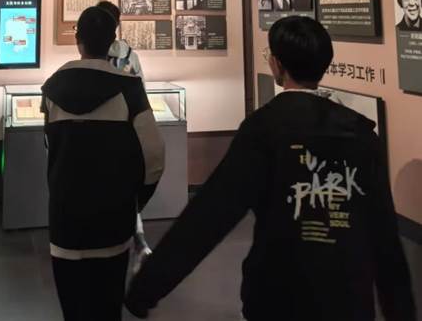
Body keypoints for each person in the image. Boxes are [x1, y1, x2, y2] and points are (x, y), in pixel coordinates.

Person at [125, 16, 416, 321]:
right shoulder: (360, 133)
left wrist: (147, 287)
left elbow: (210, 215)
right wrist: (401, 311)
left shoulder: (264, 128)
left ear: (276, 64)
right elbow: (384, 235)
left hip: (279, 291)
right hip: (347, 297)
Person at [41, 6, 164, 321]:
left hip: (65, 221)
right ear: (112, 41)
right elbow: (154, 156)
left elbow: (50, 148)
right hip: (112, 222)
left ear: (78, 41)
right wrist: (135, 201)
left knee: (73, 310)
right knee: (108, 309)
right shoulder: (129, 88)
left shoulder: (52, 89)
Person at [98, 0, 151, 270]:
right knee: (126, 190)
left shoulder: (95, 55)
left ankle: (125, 240)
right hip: (126, 132)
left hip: (103, 134)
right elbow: (141, 93)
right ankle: (136, 239)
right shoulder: (129, 55)